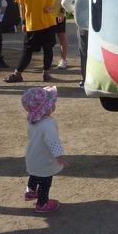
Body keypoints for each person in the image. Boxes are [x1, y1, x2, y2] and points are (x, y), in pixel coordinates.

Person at [3, 0, 59, 83]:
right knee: (48, 49)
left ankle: (18, 73)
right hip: (48, 23)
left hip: (32, 24)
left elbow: (21, 7)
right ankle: (46, 74)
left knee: (27, 51)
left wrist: (23, 22)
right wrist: (53, 8)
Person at [21, 85, 69, 213]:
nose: (54, 105)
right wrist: (59, 156)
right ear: (46, 108)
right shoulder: (48, 123)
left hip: (32, 157)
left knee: (34, 174)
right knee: (45, 181)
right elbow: (53, 141)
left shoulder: (32, 121)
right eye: (52, 103)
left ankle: (30, 191)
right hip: (44, 160)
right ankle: (42, 204)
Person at [61, 0, 88, 87]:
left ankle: (85, 79)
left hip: (83, 24)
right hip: (101, 25)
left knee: (84, 52)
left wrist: (75, 11)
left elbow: (64, 2)